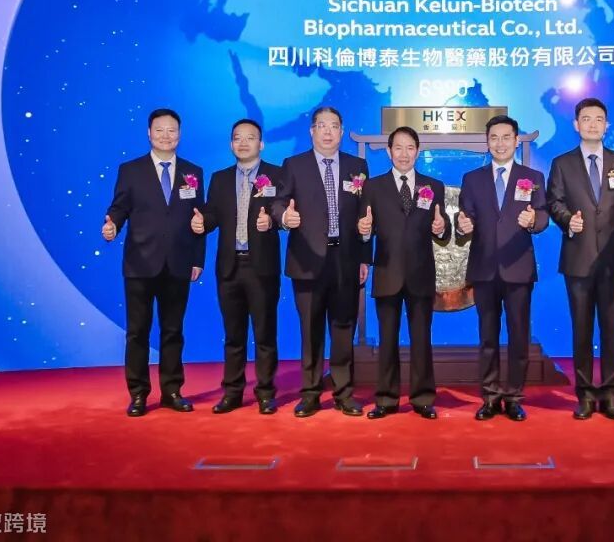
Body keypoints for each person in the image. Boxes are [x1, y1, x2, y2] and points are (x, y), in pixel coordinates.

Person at [102, 108, 204, 417]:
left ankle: (172, 391)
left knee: (173, 331)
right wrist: (112, 225)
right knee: (138, 333)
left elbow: (199, 219)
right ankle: (138, 394)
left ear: (180, 134)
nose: (166, 136)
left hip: (179, 263)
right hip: (140, 264)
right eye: (159, 130)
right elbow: (119, 207)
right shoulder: (131, 170)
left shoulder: (193, 172)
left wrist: (197, 259)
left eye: (172, 130)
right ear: (149, 133)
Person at [271, 107, 370, 417]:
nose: (328, 132)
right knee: (310, 330)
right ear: (312, 131)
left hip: (346, 259)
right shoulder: (294, 165)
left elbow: (365, 214)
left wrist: (365, 257)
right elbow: (277, 202)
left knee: (343, 329)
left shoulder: (357, 166)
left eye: (334, 126)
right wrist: (284, 217)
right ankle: (311, 394)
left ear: (341, 132)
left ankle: (343, 393)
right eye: (322, 126)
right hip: (307, 260)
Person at [547, 97, 614, 420]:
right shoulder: (562, 163)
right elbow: (554, 202)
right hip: (578, 258)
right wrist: (566, 220)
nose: (593, 124)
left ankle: (611, 394)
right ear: (576, 125)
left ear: (606, 124)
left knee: (612, 330)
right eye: (586, 119)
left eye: (599, 119)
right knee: (582, 330)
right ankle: (585, 394)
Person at [455, 114, 549, 422]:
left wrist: (533, 220)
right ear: (487, 142)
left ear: (516, 140)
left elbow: (543, 215)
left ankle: (514, 397)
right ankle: (490, 396)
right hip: (484, 268)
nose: (500, 143)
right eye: (494, 138)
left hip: (518, 267)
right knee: (488, 337)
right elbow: (465, 217)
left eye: (506, 137)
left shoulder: (532, 176)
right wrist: (463, 224)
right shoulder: (472, 179)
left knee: (519, 335)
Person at [358, 126, 450, 420]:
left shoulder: (433, 186)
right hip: (387, 273)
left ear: (418, 151)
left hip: (421, 274)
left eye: (410, 147)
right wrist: (363, 231)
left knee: (421, 339)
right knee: (387, 340)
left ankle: (423, 398)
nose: (404, 154)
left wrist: (441, 228)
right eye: (398, 147)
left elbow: (443, 229)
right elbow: (364, 229)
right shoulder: (373, 187)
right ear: (389, 152)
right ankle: (386, 399)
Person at [191, 119, 283, 415]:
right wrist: (202, 223)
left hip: (262, 267)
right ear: (231, 144)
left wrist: (273, 221)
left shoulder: (277, 175)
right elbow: (213, 216)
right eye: (237, 138)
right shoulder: (219, 179)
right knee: (233, 335)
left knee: (265, 335)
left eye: (250, 137)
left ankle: (265, 393)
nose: (243, 143)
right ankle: (232, 392)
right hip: (229, 268)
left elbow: (284, 212)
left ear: (261, 144)